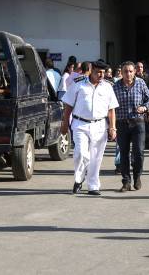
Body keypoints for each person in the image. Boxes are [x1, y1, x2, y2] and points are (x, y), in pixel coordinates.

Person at [61, 60, 119, 196]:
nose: (101, 75)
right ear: (91, 70)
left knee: (96, 157)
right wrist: (64, 124)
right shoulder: (78, 84)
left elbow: (111, 110)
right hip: (80, 124)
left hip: (99, 125)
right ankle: (79, 178)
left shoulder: (108, 87)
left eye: (103, 73)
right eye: (98, 72)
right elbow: (68, 105)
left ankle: (93, 185)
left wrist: (113, 128)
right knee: (81, 154)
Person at [113, 61, 149, 192]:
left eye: (130, 71)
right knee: (123, 153)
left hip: (138, 123)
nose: (128, 74)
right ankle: (126, 181)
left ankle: (137, 177)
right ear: (121, 72)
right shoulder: (116, 86)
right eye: (125, 71)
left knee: (138, 152)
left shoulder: (141, 83)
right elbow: (110, 106)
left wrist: (144, 107)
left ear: (135, 71)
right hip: (122, 123)